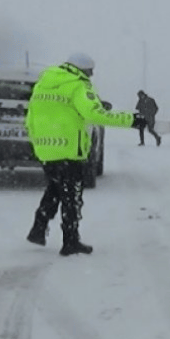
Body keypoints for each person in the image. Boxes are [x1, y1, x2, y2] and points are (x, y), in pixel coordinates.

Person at [25, 53, 145, 256]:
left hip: (46, 149)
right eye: (90, 72)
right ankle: (70, 241)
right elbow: (95, 113)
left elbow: (30, 117)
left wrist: (37, 141)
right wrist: (131, 120)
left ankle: (38, 229)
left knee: (55, 188)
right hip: (70, 149)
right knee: (72, 196)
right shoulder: (78, 85)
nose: (91, 76)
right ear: (82, 69)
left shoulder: (43, 83)